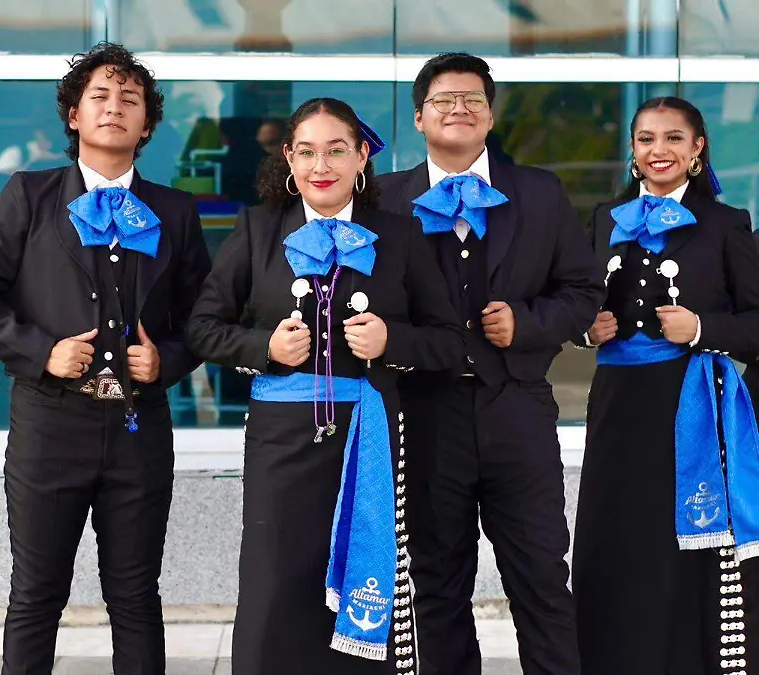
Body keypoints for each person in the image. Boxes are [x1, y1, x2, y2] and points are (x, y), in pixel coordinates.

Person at [0, 42, 212, 675]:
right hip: (49, 424)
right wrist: (44, 351)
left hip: (140, 426)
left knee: (136, 597)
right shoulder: (28, 195)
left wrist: (168, 361)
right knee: (36, 596)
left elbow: (205, 318)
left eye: (130, 99)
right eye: (100, 96)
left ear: (147, 124)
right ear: (74, 115)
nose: (114, 108)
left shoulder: (176, 209)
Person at [187, 97, 462, 674]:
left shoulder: (400, 234)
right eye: (308, 152)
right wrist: (264, 349)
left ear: (361, 157)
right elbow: (203, 328)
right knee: (275, 584)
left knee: (364, 579)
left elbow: (447, 341)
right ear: (289, 158)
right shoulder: (258, 228)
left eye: (337, 150)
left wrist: (392, 341)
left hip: (370, 437)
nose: (322, 166)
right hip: (280, 440)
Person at [377, 52, 601, 675]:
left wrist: (526, 323)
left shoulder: (539, 191)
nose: (460, 108)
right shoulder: (384, 199)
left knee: (542, 576)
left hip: (517, 407)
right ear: (419, 117)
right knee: (436, 582)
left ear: (491, 115)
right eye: (444, 100)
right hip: (424, 413)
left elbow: (584, 290)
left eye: (473, 99)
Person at [573, 96, 759, 674]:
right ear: (633, 149)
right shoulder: (605, 217)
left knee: (678, 541)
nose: (660, 150)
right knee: (612, 536)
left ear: (697, 148)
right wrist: (585, 329)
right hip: (616, 404)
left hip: (690, 401)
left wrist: (702, 329)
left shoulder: (726, 223)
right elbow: (572, 300)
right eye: (647, 138)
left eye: (674, 138)